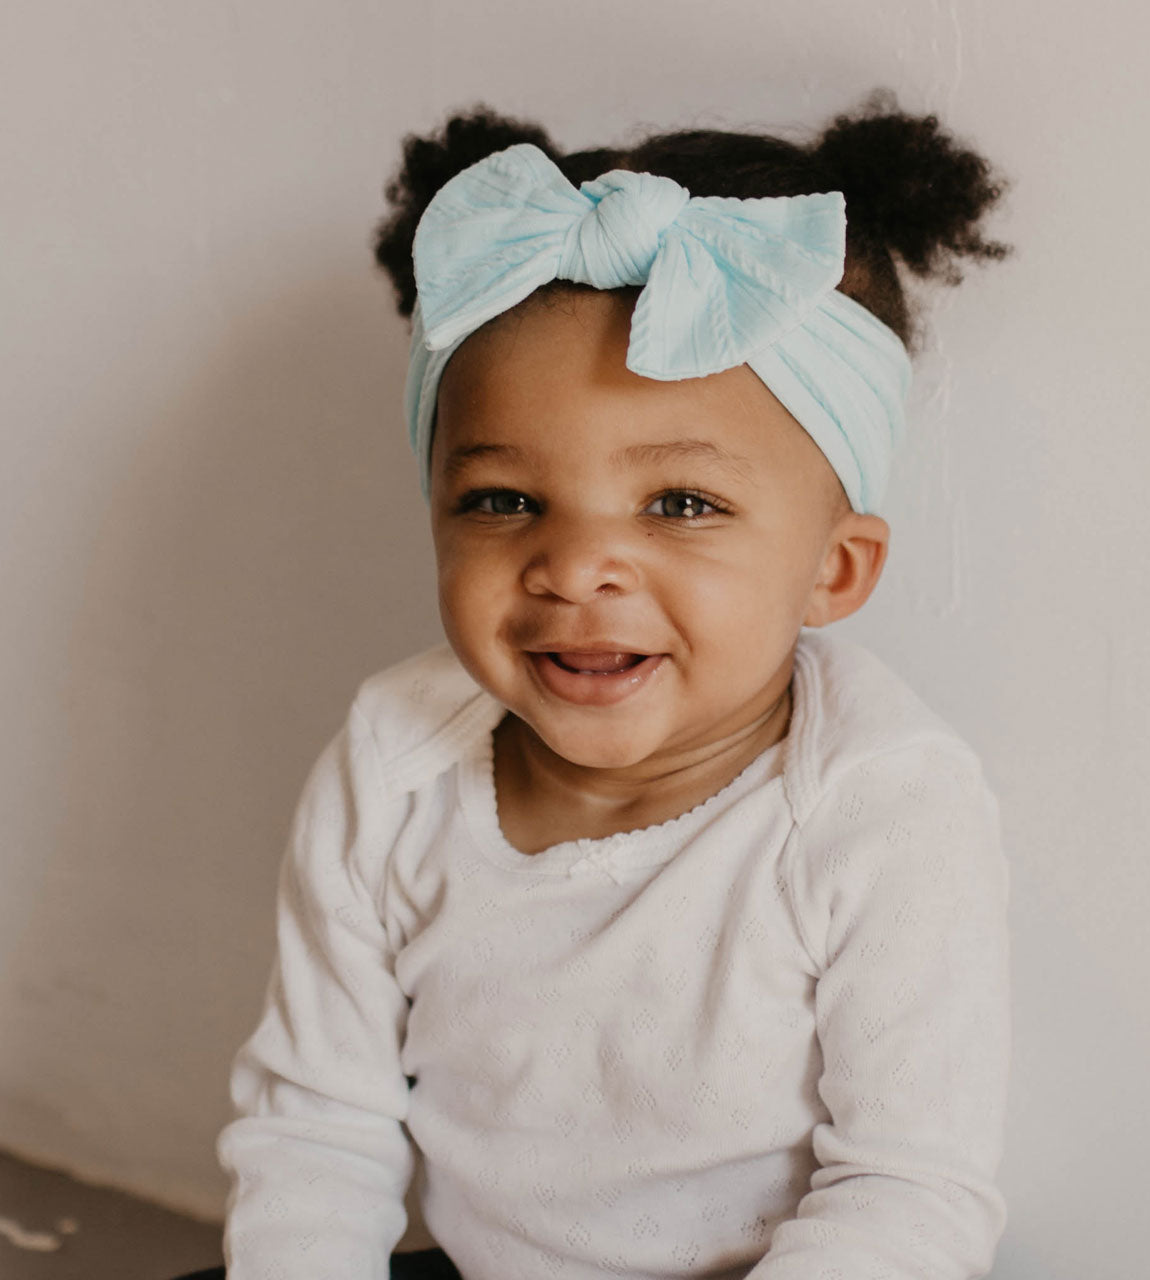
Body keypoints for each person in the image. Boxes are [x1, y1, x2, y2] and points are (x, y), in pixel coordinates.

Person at [207, 94, 1013, 1280]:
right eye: (502, 500)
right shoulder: (395, 757)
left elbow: (903, 1189)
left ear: (829, 571)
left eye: (680, 504)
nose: (575, 565)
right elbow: (315, 1122)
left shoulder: (878, 804)